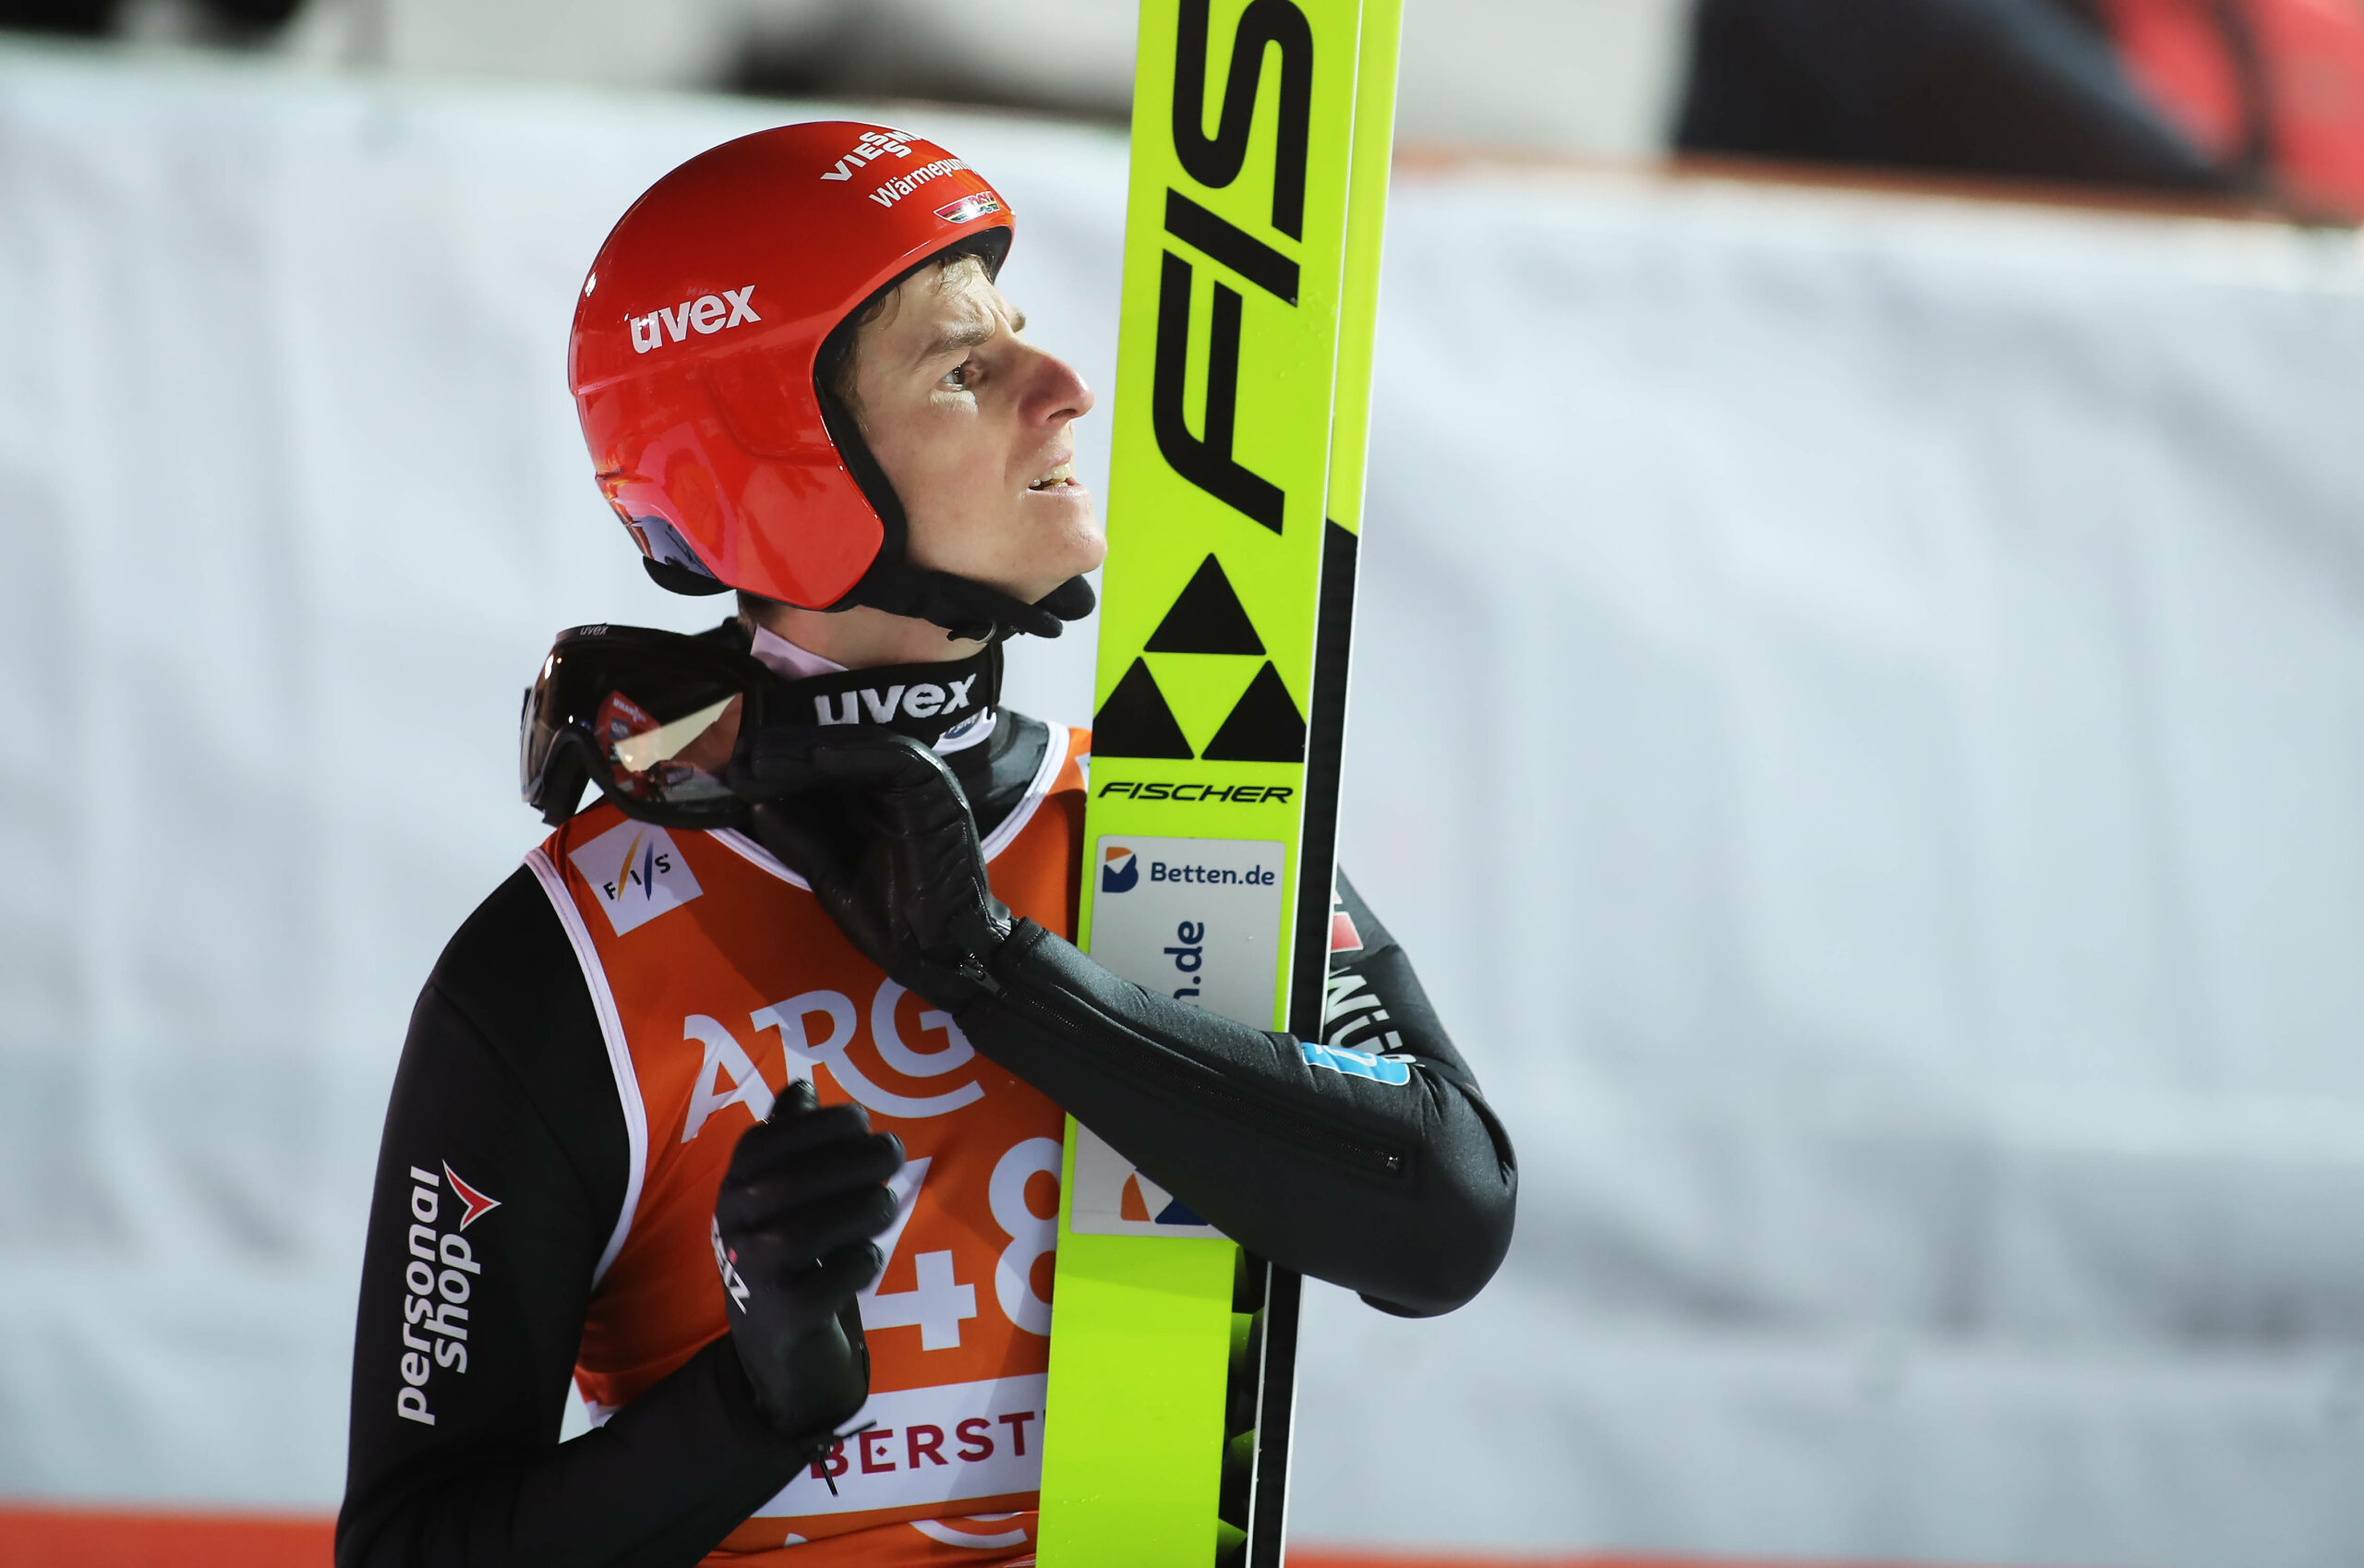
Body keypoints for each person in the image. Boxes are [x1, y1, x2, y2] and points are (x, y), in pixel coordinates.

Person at [335, 121, 1516, 1568]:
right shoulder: (565, 961)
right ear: (782, 467)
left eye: (1021, 338)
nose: (1068, 386)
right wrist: (759, 1401)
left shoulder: (1171, 825)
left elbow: (1447, 1215)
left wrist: (997, 974)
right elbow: (411, 1548)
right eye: (967, 368)